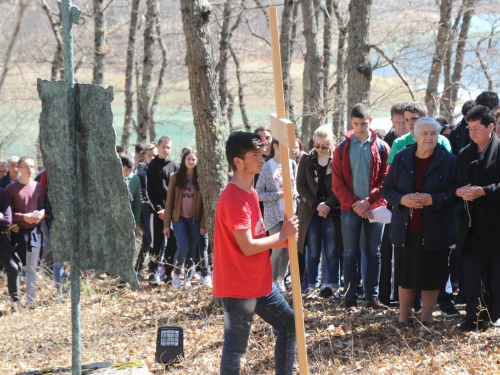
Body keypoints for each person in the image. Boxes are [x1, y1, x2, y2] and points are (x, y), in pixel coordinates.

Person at [213, 131, 298, 375]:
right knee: (235, 350)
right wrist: (281, 236)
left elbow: (259, 238)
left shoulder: (251, 193)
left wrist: (285, 240)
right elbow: (248, 246)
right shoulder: (233, 199)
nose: (261, 158)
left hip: (259, 283)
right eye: (254, 155)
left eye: (261, 153)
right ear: (238, 162)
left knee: (289, 326)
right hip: (238, 288)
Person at [382, 117, 457, 327]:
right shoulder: (401, 157)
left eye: (433, 134)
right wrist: (402, 200)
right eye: (424, 133)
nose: (429, 137)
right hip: (406, 227)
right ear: (414, 135)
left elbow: (454, 195)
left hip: (436, 227)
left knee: (432, 273)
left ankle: (427, 318)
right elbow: (387, 190)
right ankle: (403, 318)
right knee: (406, 274)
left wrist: (433, 199)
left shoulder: (449, 160)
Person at [332, 103, 390, 311]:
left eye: (363, 123)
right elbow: (336, 182)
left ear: (370, 121)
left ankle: (372, 297)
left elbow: (386, 179)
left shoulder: (382, 147)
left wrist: (368, 201)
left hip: (374, 207)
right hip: (350, 209)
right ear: (351, 122)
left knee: (374, 253)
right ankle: (350, 297)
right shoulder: (341, 148)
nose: (360, 128)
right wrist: (355, 204)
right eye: (356, 124)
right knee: (350, 253)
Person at [449, 105, 500, 332]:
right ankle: (474, 317)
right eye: (469, 128)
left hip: (495, 223)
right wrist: (459, 192)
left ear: (491, 127)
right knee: (472, 272)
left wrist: (485, 191)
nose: (472, 133)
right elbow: (450, 186)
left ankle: (497, 316)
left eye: (476, 128)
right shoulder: (464, 154)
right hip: (470, 224)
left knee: (496, 272)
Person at [296, 125, 342, 299]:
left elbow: (340, 186)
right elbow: (300, 186)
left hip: (331, 210)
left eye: (325, 146)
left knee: (331, 250)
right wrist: (317, 205)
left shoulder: (337, 159)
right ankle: (311, 287)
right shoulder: (307, 159)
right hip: (311, 210)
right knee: (313, 250)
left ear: (331, 143)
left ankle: (334, 286)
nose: (321, 149)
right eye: (317, 145)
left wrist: (327, 205)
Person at [256, 138, 297, 294]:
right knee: (278, 249)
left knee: (288, 249)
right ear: (276, 146)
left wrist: (294, 193)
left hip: (290, 213)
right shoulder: (267, 167)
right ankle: (271, 282)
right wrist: (279, 194)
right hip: (274, 215)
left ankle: (281, 280)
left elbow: (296, 187)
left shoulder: (292, 164)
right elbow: (258, 194)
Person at [163, 147, 206, 290]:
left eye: (194, 159)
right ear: (184, 160)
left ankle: (187, 279)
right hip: (179, 218)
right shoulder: (176, 177)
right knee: (183, 246)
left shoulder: (200, 177)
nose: (191, 161)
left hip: (195, 219)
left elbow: (205, 204)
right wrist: (166, 225)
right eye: (189, 159)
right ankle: (176, 275)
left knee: (192, 250)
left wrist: (203, 224)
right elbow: (169, 202)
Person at [6, 157, 44, 307]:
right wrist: (24, 217)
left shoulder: (38, 187)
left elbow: (42, 207)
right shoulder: (11, 189)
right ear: (18, 168)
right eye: (27, 167)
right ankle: (16, 302)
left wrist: (39, 215)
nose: (30, 170)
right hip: (17, 232)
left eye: (32, 166)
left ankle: (31, 301)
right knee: (16, 268)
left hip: (35, 232)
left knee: (32, 268)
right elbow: (9, 213)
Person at [146, 136, 179, 285]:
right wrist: (159, 209)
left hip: (172, 213)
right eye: (163, 147)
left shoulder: (175, 166)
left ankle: (167, 273)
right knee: (156, 243)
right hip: (157, 213)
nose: (166, 150)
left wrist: (172, 210)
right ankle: (152, 273)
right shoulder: (152, 166)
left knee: (172, 244)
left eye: (168, 147)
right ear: (158, 147)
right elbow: (149, 191)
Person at [386, 102, 451, 164]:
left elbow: (449, 165)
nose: (410, 123)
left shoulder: (442, 140)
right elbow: (392, 171)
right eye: (406, 120)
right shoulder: (399, 142)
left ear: (425, 118)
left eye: (414, 119)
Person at [0, 187, 21, 309]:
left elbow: (7, 220)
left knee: (13, 268)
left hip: (1, 240)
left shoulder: (1, 192)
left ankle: (15, 305)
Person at [121, 154, 141, 233]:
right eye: (126, 169)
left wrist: (136, 222)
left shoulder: (135, 179)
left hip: (128, 216)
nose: (128, 172)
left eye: (131, 170)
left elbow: (137, 201)